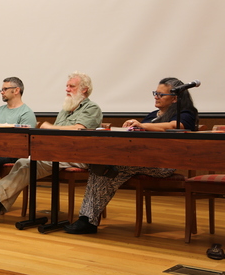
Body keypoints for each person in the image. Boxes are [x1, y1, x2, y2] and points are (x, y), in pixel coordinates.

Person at [65, 77, 199, 234]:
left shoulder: (186, 113)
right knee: (102, 167)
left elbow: (172, 126)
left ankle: (88, 220)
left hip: (164, 163)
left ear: (175, 98)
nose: (156, 96)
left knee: (111, 168)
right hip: (141, 160)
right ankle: (86, 218)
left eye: (160, 94)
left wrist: (143, 125)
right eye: (155, 93)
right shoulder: (153, 115)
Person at [0, 72, 103, 223]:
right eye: (67, 86)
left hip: (77, 156)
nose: (67, 89)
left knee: (29, 165)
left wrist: (50, 127)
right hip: (57, 153)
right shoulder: (65, 110)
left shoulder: (92, 108)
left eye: (71, 86)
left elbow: (78, 129)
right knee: (22, 162)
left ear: (84, 89)